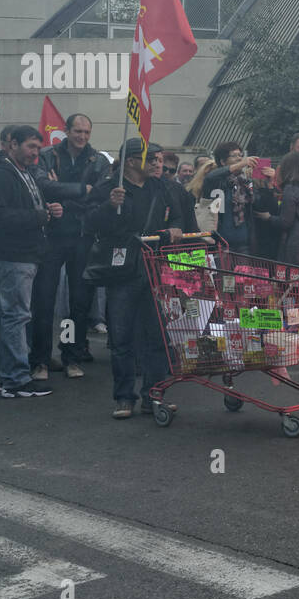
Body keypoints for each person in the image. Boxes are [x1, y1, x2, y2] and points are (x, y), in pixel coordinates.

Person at [87, 141, 194, 418]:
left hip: (155, 269)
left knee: (157, 336)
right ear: (131, 161)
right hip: (122, 271)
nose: (158, 164)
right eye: (151, 159)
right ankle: (124, 398)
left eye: (159, 159)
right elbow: (88, 224)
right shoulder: (109, 188)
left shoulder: (162, 187)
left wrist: (175, 228)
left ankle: (154, 395)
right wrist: (110, 206)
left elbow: (179, 215)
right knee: (122, 338)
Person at [29, 113, 111, 381]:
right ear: (66, 130)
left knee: (78, 303)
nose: (82, 137)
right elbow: (41, 185)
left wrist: (62, 197)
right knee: (44, 300)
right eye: (78, 131)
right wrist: (80, 190)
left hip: (82, 236)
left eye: (87, 132)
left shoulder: (98, 159)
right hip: (51, 237)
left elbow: (99, 195)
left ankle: (70, 355)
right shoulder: (47, 155)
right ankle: (40, 358)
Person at [0, 126, 60, 398]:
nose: (35, 152)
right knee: (16, 316)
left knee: (4, 315)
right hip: (14, 255)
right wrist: (38, 217)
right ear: (11, 145)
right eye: (30, 146)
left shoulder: (22, 172)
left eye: (38, 147)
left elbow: (29, 207)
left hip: (23, 253)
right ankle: (16, 378)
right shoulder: (2, 174)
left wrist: (49, 211)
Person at [204, 141, 259, 253]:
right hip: (221, 243)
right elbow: (210, 177)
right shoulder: (217, 181)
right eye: (234, 156)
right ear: (223, 161)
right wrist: (240, 164)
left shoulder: (245, 181)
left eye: (240, 155)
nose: (240, 159)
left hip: (244, 243)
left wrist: (266, 184)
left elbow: (256, 204)